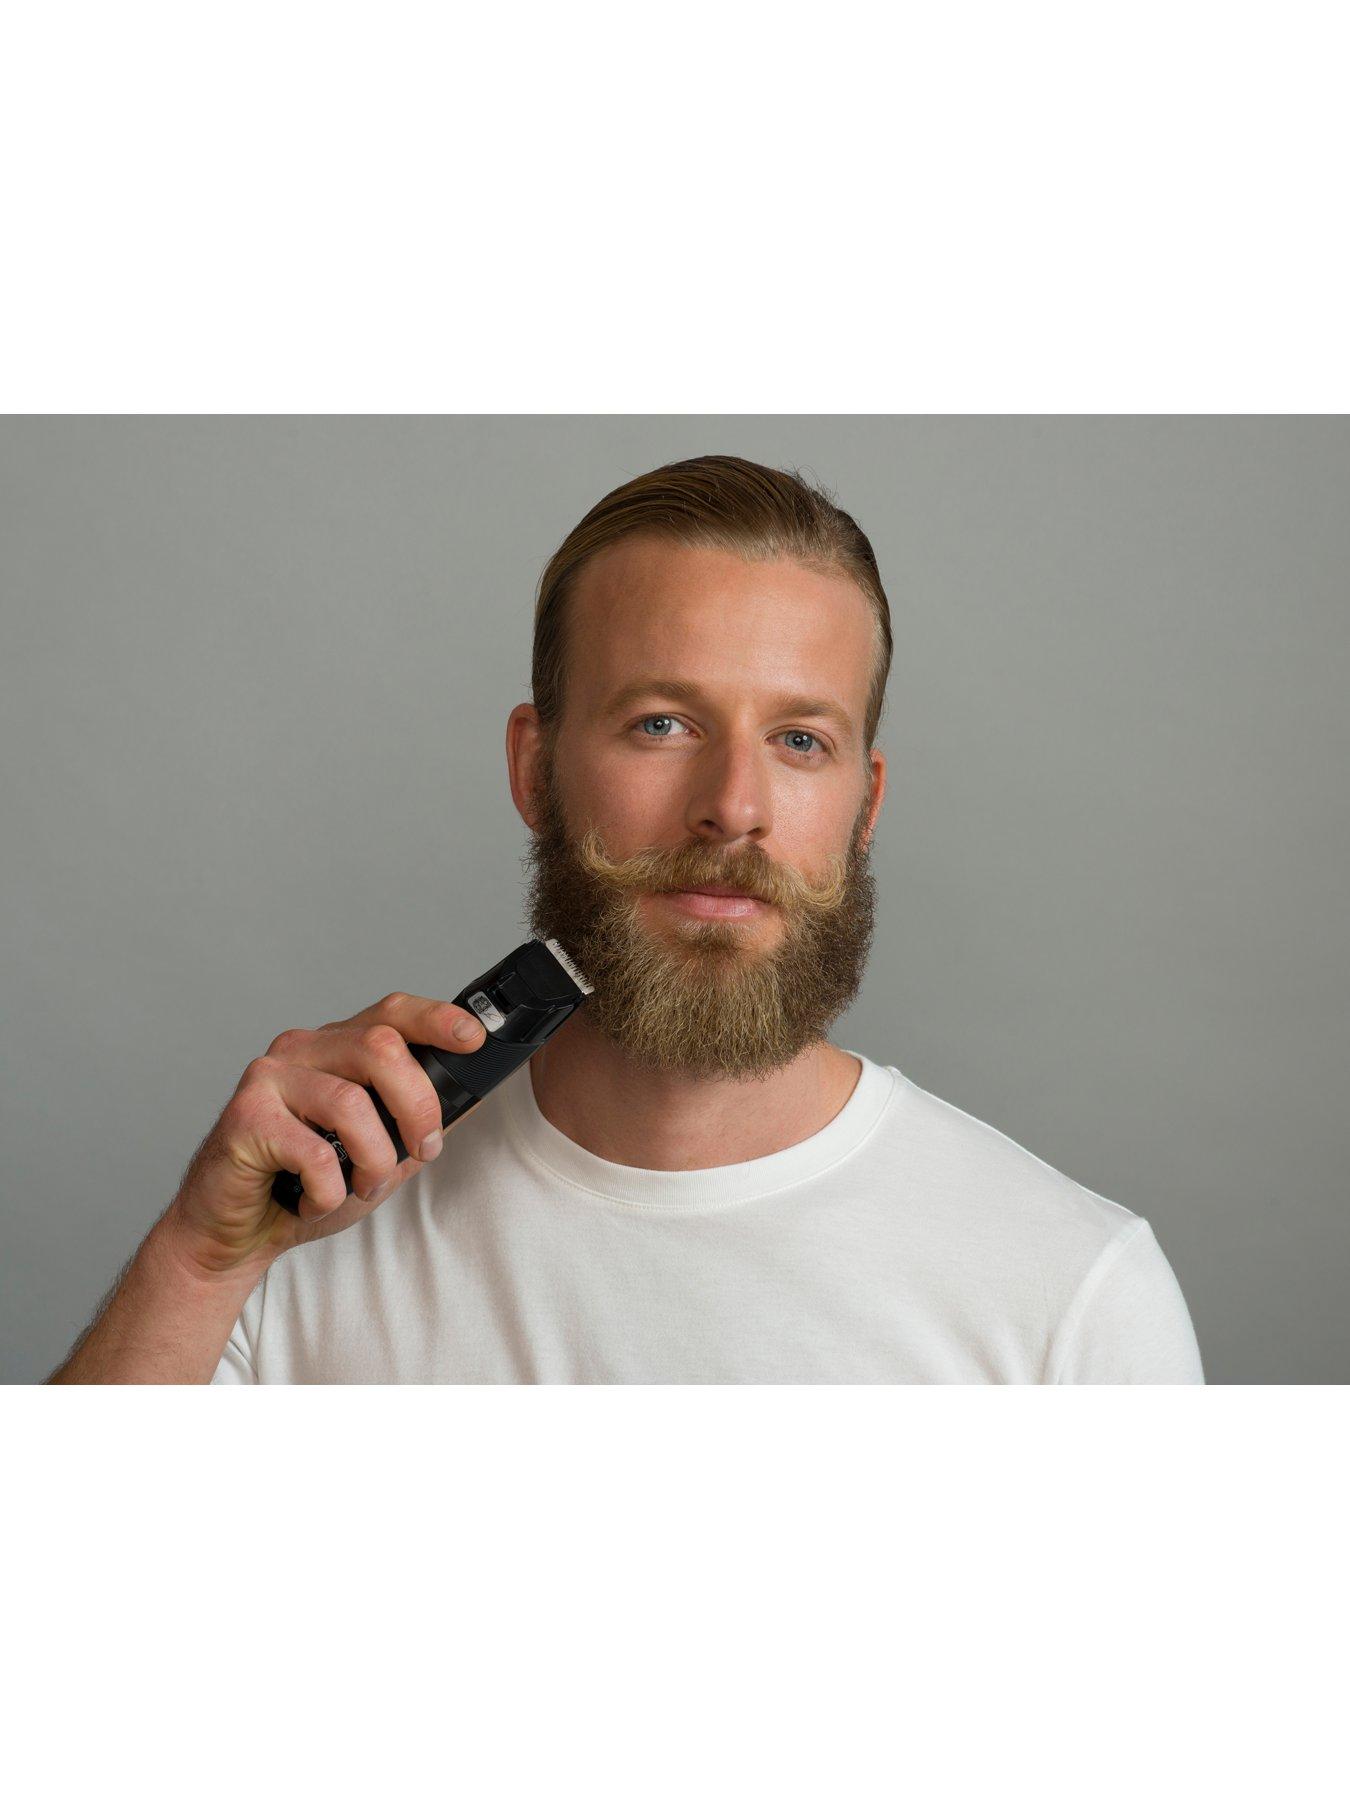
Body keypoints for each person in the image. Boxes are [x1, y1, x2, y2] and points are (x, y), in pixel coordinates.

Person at [48, 454, 1204, 1384]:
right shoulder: (302, 1229)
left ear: (865, 805)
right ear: (534, 767)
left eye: (801, 741)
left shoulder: (1074, 1301)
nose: (733, 807)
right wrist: (197, 1266)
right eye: (662, 724)